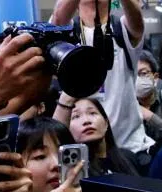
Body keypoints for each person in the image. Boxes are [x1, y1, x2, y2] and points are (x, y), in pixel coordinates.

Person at [50, 0, 154, 156]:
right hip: (83, 152)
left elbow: (137, 22)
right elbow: (57, 22)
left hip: (130, 147)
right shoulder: (68, 32)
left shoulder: (121, 28)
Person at [68, 98, 140, 175]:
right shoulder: (73, 171)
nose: (86, 121)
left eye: (92, 113)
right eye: (76, 116)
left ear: (106, 123)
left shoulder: (128, 157)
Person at [136, 50, 162, 143]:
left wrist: (151, 117)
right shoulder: (124, 104)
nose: (137, 79)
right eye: (132, 75)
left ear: (155, 77)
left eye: (143, 73)